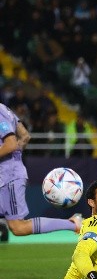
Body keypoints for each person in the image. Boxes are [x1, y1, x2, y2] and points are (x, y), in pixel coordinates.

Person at [0, 102, 82, 239]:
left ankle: (73, 224)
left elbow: (11, 144)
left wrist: (12, 159)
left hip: (8, 176)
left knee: (18, 227)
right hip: (8, 171)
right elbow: (25, 135)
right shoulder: (4, 109)